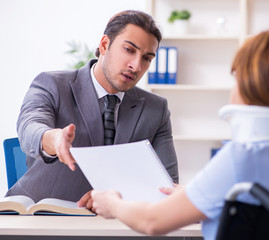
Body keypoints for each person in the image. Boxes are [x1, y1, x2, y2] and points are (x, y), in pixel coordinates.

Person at [90, 30, 269, 239]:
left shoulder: (244, 158)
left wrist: (113, 204)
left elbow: (152, 221)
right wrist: (197, 193)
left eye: (237, 79)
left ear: (256, 91)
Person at [5, 10, 179, 205]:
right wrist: (53, 139)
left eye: (147, 58)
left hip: (111, 224)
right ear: (105, 45)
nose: (136, 66)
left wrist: (119, 198)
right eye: (129, 50)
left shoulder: (156, 109)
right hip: (40, 215)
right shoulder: (52, 84)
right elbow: (30, 126)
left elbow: (168, 186)